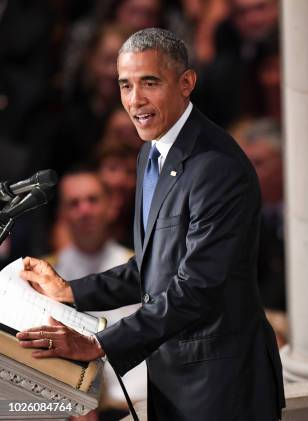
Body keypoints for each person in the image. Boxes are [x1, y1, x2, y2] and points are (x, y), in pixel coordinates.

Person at [17, 28, 285, 421]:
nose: (134, 100)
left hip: (222, 388)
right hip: (172, 382)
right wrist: (70, 290)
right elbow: (154, 265)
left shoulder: (218, 167)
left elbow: (196, 288)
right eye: (125, 85)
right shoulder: (150, 154)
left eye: (150, 83)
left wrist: (98, 343)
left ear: (186, 83)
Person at [46, 168, 146, 419]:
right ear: (62, 214)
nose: (85, 210)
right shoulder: (46, 274)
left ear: (111, 206)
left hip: (141, 403)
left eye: (92, 200)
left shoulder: (140, 269)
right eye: (74, 203)